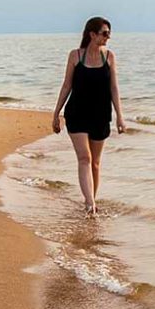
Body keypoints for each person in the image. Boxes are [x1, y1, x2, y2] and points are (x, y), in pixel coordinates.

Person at [52, 17, 126, 215]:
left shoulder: (109, 57)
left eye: (109, 33)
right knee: (84, 157)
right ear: (92, 34)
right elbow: (67, 85)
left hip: (101, 115)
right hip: (77, 113)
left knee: (95, 162)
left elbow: (114, 88)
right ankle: (89, 203)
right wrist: (56, 112)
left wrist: (120, 116)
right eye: (104, 33)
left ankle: (92, 200)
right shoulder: (75, 56)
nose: (108, 37)